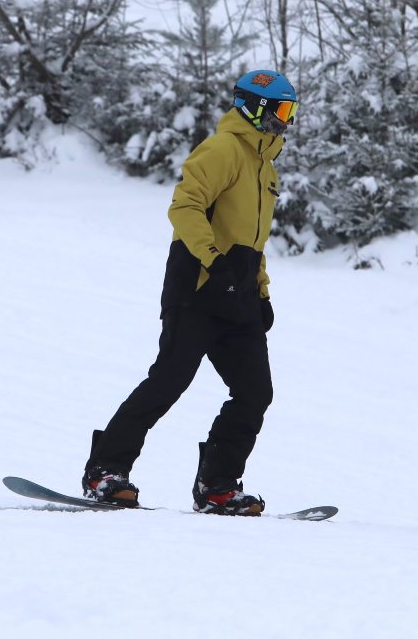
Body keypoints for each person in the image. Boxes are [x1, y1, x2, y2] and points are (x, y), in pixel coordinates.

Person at [80, 70, 299, 516]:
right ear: (255, 108)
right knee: (169, 380)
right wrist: (214, 262)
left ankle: (217, 486)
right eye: (280, 110)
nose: (286, 120)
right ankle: (106, 472)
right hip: (198, 289)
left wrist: (261, 292)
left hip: (237, 296)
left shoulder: (265, 166)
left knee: (255, 393)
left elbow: (253, 240)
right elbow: (184, 206)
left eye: (290, 111)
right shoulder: (222, 150)